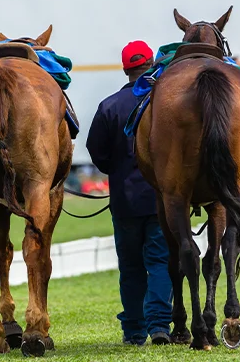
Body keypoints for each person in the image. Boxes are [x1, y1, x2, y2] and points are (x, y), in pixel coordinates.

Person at [86, 41, 173, 345]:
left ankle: (134, 330)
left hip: (124, 201)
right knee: (160, 262)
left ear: (125, 69)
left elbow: (95, 151)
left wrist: (118, 171)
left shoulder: (109, 106)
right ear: (151, 63)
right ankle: (161, 325)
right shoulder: (167, 101)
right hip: (162, 198)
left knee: (131, 267)